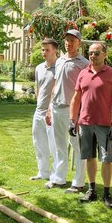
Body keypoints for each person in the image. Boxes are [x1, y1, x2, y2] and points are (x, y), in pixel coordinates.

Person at [69, 42, 112, 208]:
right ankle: (92, 190)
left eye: (97, 53)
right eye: (91, 53)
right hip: (85, 123)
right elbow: (76, 98)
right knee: (89, 157)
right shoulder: (83, 73)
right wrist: (73, 120)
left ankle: (107, 193)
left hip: (104, 125)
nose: (93, 56)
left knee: (107, 159)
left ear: (105, 54)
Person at [45, 29, 88, 191]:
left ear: (79, 43)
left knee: (77, 147)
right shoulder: (60, 60)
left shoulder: (83, 63)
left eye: (72, 40)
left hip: (72, 111)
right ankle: (59, 178)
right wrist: (49, 108)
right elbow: (55, 85)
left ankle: (78, 183)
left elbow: (85, 90)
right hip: (56, 108)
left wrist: (79, 114)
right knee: (59, 146)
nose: (68, 43)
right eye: (66, 40)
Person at [31, 38, 58, 181]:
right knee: (39, 142)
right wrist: (38, 102)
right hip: (39, 110)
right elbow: (38, 87)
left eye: (47, 50)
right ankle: (43, 172)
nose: (44, 52)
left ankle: (56, 175)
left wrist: (51, 107)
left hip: (53, 113)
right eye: (42, 50)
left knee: (54, 145)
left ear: (55, 51)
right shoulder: (39, 68)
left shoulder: (60, 67)